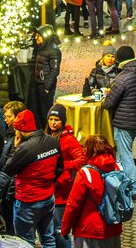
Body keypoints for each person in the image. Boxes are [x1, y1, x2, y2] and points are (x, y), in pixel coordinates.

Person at [0, 110, 63, 248]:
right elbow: (59, 168)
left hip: (28, 202)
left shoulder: (25, 148)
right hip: (48, 198)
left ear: (19, 129)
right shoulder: (53, 141)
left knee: (25, 242)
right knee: (48, 238)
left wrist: (15, 148)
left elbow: (8, 169)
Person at [102, 46, 136, 200]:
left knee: (126, 155)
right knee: (124, 152)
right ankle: (119, 182)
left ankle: (132, 189)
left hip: (124, 122)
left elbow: (109, 103)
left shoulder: (123, 78)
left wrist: (105, 97)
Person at [61, 136, 124, 248]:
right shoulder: (117, 168)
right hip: (113, 228)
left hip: (89, 230)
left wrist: (65, 229)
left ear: (88, 150)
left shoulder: (85, 173)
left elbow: (73, 205)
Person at [47, 105, 86, 248]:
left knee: (59, 228)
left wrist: (64, 166)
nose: (53, 123)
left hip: (62, 191)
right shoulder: (49, 135)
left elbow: (82, 159)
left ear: (62, 121)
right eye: (51, 119)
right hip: (51, 188)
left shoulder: (68, 139)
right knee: (51, 228)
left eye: (56, 120)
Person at [0, 101, 28, 234]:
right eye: (5, 116)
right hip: (6, 186)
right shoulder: (10, 134)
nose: (5, 119)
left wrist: (9, 192)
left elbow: (15, 164)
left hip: (13, 190)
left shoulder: (21, 138)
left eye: (9, 116)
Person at [28, 25, 62, 125]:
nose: (36, 38)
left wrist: (47, 87)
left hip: (45, 85)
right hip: (39, 83)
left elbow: (54, 70)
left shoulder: (53, 50)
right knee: (39, 110)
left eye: (38, 36)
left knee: (45, 110)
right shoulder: (41, 48)